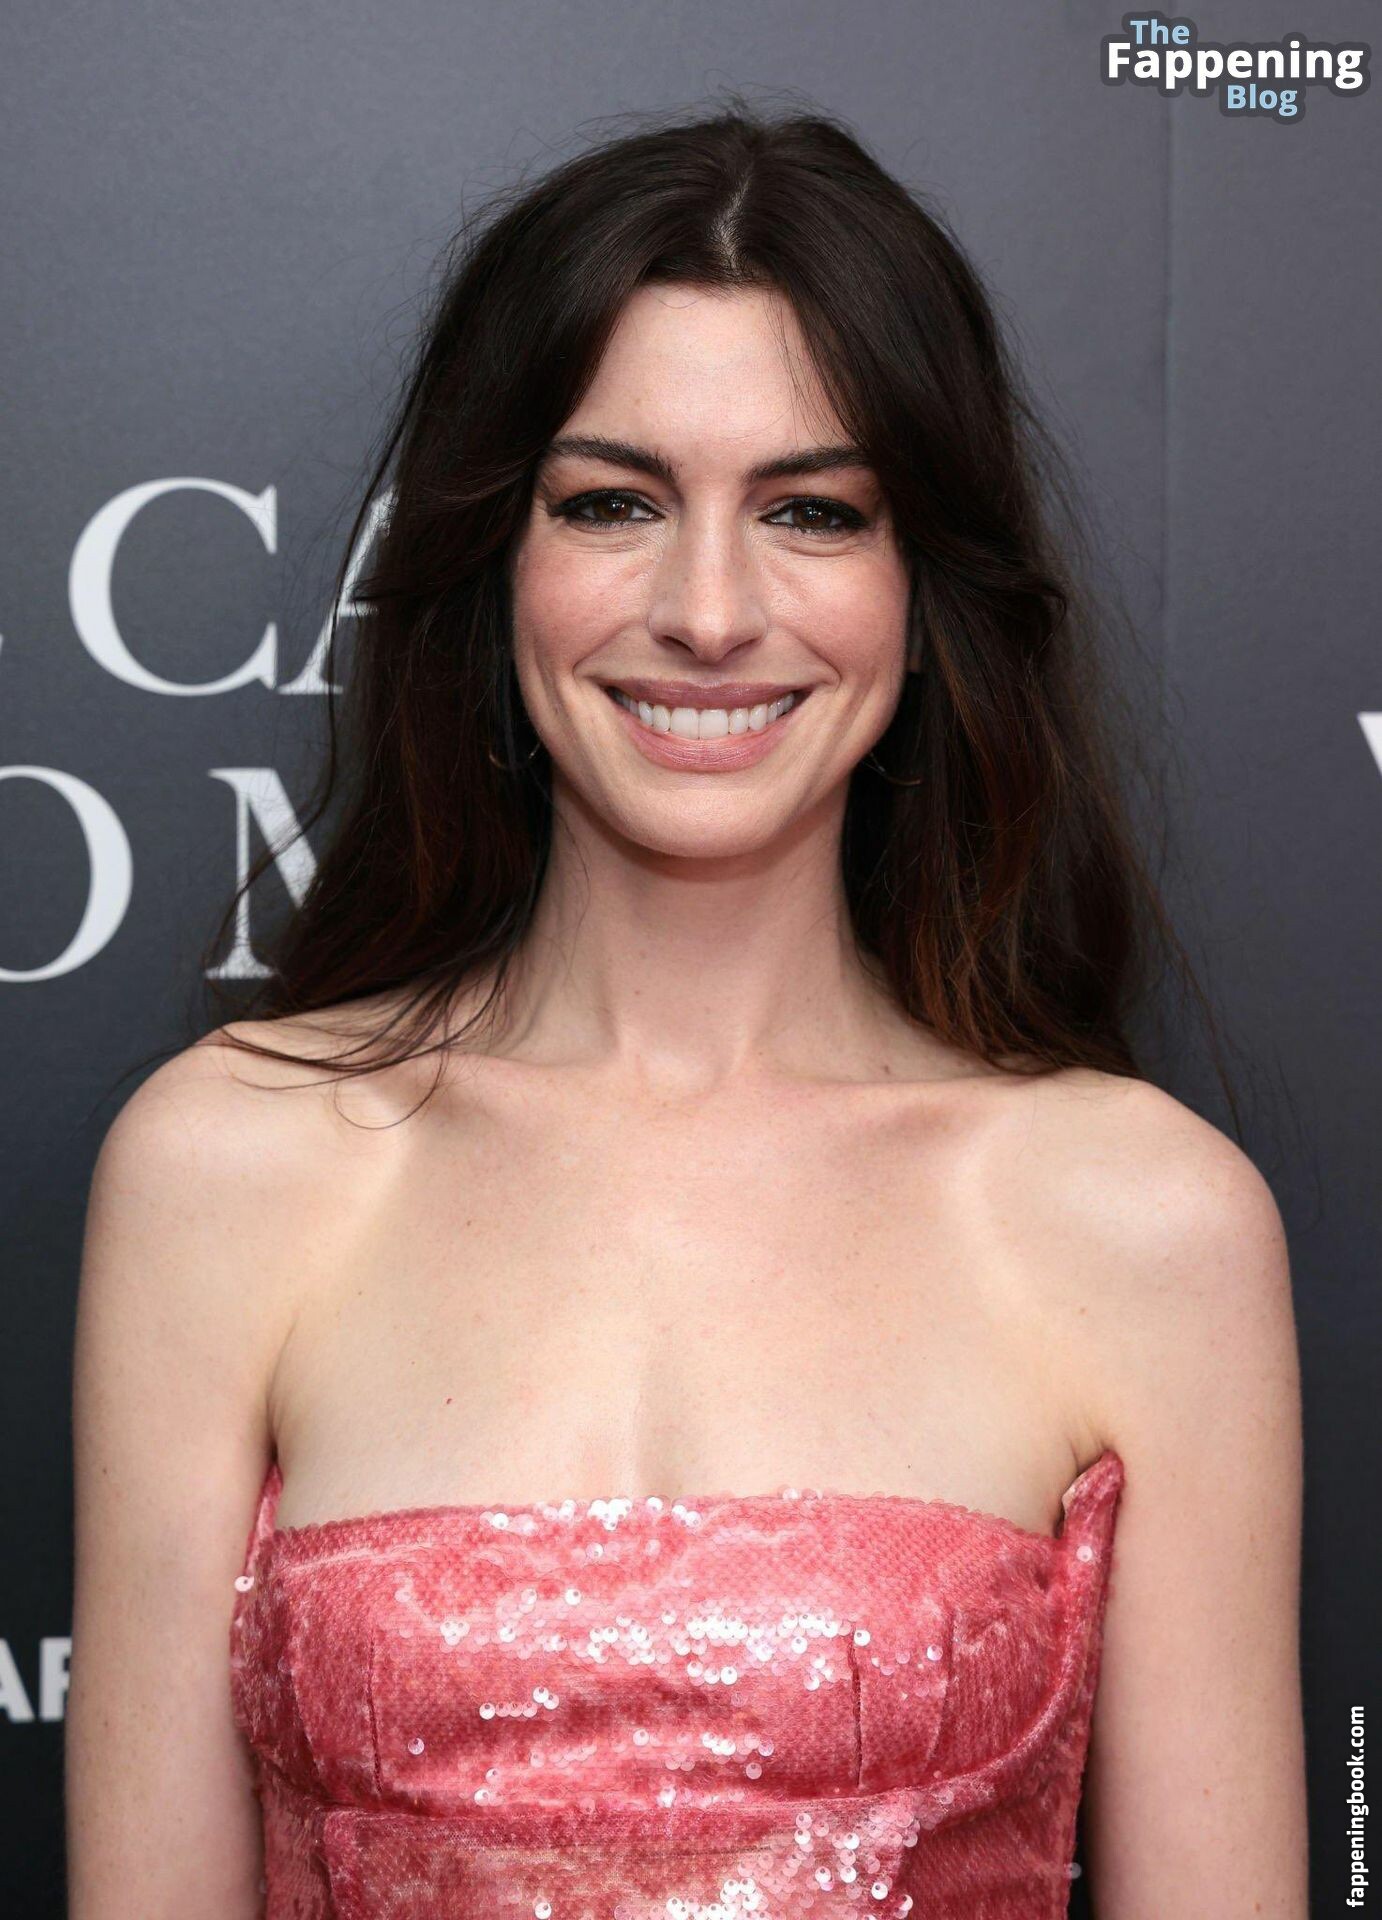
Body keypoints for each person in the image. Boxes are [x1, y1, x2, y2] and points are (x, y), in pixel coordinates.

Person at [65, 105, 1307, 1917]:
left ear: (921, 589)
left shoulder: (1141, 1219)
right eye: (611, 504)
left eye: (811, 512)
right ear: (495, 564)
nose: (708, 611)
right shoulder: (231, 1168)